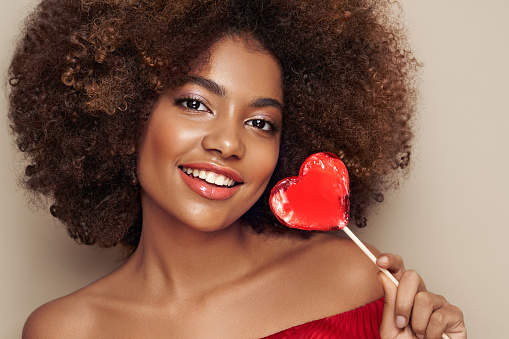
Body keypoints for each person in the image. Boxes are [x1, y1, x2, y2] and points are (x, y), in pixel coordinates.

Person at [8, 0, 466, 338]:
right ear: (125, 120)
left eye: (260, 122)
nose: (228, 143)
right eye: (194, 103)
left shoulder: (352, 278)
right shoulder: (67, 330)